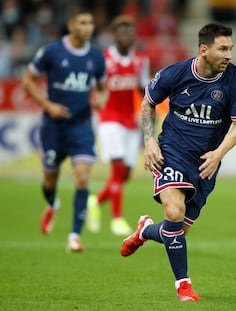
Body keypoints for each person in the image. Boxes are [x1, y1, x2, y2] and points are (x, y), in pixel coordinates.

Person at [120, 23, 236, 301]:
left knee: (175, 230)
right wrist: (149, 140)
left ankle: (144, 230)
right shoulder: (175, 74)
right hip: (172, 153)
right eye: (222, 48)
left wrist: (218, 154)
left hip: (205, 164)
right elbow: (147, 103)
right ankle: (184, 286)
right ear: (204, 50)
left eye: (230, 49)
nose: (228, 55)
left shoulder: (235, 80)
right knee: (174, 212)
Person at [22, 7, 108, 252]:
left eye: (90, 22)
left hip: (80, 125)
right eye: (82, 22)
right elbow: (27, 81)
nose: (88, 27)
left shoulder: (96, 56)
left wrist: (102, 98)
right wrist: (47, 105)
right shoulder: (52, 51)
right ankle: (52, 204)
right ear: (71, 25)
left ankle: (74, 236)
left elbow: (103, 87)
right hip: (53, 127)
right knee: (50, 179)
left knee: (82, 177)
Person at [86, 15, 150, 236]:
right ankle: (117, 219)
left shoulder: (141, 60)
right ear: (114, 36)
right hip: (108, 119)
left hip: (129, 122)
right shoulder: (103, 59)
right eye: (122, 32)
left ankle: (95, 200)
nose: (127, 36)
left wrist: (151, 111)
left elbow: (143, 90)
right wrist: (94, 100)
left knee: (126, 174)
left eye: (130, 32)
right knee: (118, 167)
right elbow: (92, 86)